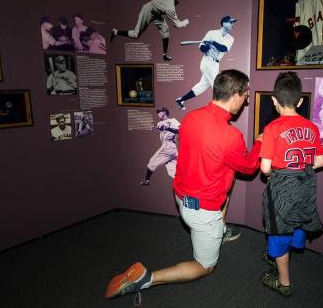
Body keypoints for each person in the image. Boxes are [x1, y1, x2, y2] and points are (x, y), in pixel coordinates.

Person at [104, 69, 262, 300]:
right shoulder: (230, 136)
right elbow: (249, 167)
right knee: (205, 267)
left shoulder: (191, 118)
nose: (247, 99)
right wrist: (259, 143)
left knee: (228, 175)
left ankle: (221, 229)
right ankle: (147, 279)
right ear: (236, 95)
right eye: (246, 94)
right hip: (201, 211)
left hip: (182, 195)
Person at [259, 72, 323, 296]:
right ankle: (295, 246)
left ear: (274, 101)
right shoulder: (313, 127)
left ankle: (284, 283)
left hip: (282, 187)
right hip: (305, 184)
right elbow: (319, 162)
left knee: (278, 231)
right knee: (299, 217)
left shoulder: (272, 128)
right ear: (300, 101)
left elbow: (265, 169)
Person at [109, 0, 189, 61]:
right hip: (148, 10)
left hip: (156, 13)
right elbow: (176, 25)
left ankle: (165, 55)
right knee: (135, 35)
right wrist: (185, 22)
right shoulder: (170, 7)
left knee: (165, 30)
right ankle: (116, 32)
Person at [175, 16, 236, 110]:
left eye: (233, 23)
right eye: (230, 22)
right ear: (224, 23)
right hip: (207, 61)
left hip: (216, 64)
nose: (233, 24)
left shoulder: (231, 38)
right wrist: (207, 46)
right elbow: (202, 48)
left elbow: (224, 49)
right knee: (217, 86)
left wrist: (213, 43)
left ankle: (181, 99)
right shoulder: (211, 33)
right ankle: (221, 109)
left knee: (201, 86)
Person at [140, 108, 180, 185]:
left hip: (168, 146)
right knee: (173, 171)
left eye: (159, 112)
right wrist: (166, 126)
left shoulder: (173, 120)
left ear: (164, 112)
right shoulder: (161, 123)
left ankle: (146, 180)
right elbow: (159, 127)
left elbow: (180, 129)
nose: (158, 114)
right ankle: (187, 186)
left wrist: (169, 128)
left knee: (152, 162)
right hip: (173, 149)